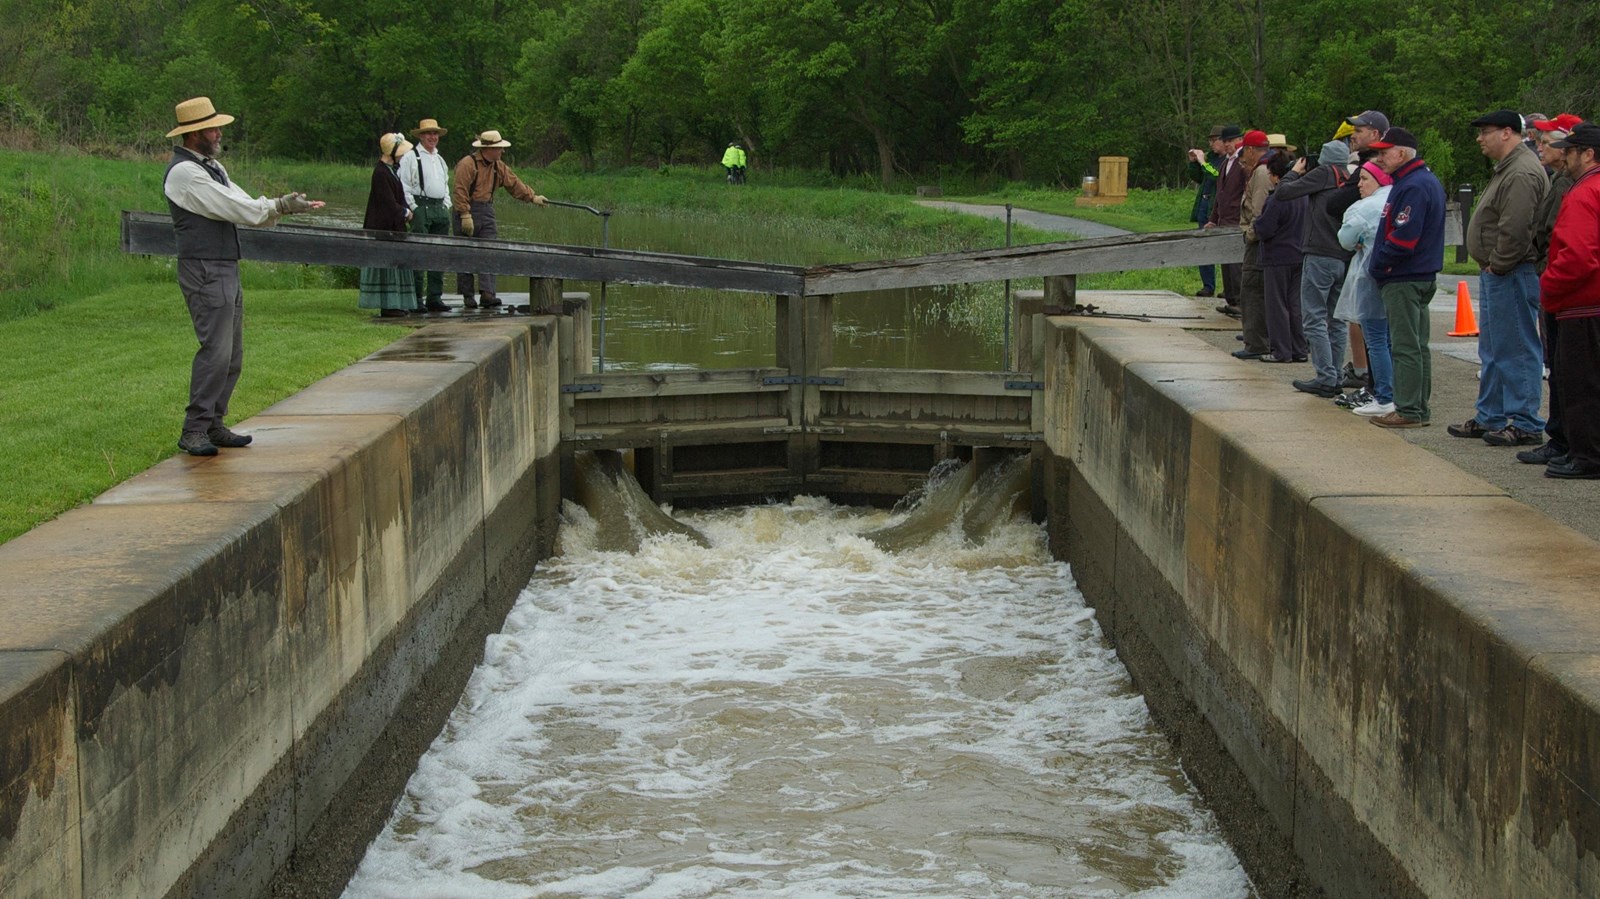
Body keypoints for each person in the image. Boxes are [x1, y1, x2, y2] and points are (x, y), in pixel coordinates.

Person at [162, 96, 324, 457]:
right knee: (216, 352)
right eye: (212, 128)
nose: (219, 133)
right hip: (204, 268)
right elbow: (236, 208)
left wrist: (282, 207)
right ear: (193, 134)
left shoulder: (211, 168)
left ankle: (214, 423)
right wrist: (279, 205)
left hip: (222, 265)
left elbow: (246, 204)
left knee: (232, 355)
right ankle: (194, 429)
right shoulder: (186, 173)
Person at [1447, 110, 1549, 447]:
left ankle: (1526, 421)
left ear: (1507, 133)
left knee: (1517, 347)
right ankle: (1490, 414)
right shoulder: (1509, 168)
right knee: (1492, 348)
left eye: (1485, 132)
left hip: (1512, 271)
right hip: (1501, 271)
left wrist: (1500, 263)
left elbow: (1516, 227)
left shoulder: (1521, 171)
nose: (1479, 138)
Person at [1365, 127, 1447, 429]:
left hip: (1404, 277)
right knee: (1417, 344)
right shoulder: (1420, 180)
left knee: (1404, 345)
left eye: (1384, 152)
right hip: (1417, 274)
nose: (1380, 158)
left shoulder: (1413, 185)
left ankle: (1409, 409)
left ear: (1402, 153)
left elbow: (1404, 237)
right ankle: (1417, 408)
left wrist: (1379, 265)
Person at [1520, 115, 1585, 465]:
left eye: (1551, 143)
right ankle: (1562, 436)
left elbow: (1563, 236)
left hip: (1560, 282)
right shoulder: (1560, 180)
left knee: (1564, 367)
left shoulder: (1572, 186)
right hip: (1552, 274)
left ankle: (1564, 439)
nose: (1542, 148)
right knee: (1557, 365)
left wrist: (1549, 277)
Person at [1538, 123, 1600, 478]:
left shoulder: (1582, 193)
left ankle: (1587, 456)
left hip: (1582, 303)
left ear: (1588, 154)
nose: (1565, 155)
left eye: (1571, 150)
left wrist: (1549, 289)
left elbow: (1577, 256)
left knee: (1580, 383)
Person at [1277, 139, 1356, 397]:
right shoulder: (1350, 177)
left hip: (1319, 254)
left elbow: (1284, 193)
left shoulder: (1324, 173)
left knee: (1314, 318)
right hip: (1342, 256)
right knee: (1336, 320)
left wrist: (1294, 172)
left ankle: (1324, 377)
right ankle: (1334, 374)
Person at [453, 130, 548, 309]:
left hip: (486, 209)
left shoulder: (499, 166)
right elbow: (459, 191)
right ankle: (467, 296)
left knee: (490, 251)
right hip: (467, 209)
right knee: (465, 254)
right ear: (488, 149)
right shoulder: (468, 164)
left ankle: (488, 294)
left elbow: (514, 184)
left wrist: (533, 197)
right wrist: (465, 214)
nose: (502, 152)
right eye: (499, 148)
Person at [1336, 163, 1396, 416]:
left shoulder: (1365, 207)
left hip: (1369, 277)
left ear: (1379, 181)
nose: (1359, 185)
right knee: (1391, 339)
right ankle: (1393, 392)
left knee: (1376, 339)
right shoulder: (1396, 199)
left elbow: (1346, 239)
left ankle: (1383, 395)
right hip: (1393, 277)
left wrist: (1359, 240)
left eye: (1364, 179)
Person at [1252, 152, 1308, 364]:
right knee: (1295, 305)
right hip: (1299, 254)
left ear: (1276, 176)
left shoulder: (1278, 197)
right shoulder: (1303, 195)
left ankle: (1281, 350)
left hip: (1277, 256)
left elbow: (1265, 228)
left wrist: (1256, 225)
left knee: (1277, 305)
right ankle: (1299, 348)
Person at [359, 132, 417, 319]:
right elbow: (387, 203)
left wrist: (406, 209)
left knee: (397, 264)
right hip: (383, 228)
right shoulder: (381, 173)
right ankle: (389, 305)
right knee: (387, 266)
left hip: (394, 227)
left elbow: (399, 197)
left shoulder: (392, 170)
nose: (402, 155)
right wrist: (404, 212)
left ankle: (398, 303)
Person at [397, 118, 452, 313]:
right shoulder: (410, 157)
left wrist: (446, 205)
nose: (433, 137)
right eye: (429, 133)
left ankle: (434, 297)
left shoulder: (440, 159)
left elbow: (445, 185)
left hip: (439, 209)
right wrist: (413, 207)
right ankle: (416, 298)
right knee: (419, 254)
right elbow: (404, 186)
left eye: (435, 134)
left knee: (440, 254)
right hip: (421, 207)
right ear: (421, 136)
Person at [1236, 130, 1275, 359]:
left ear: (1251, 150)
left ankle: (1256, 344)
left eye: (1244, 151)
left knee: (1251, 291)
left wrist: (1250, 235)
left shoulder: (1261, 172)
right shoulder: (1267, 168)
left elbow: (1259, 211)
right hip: (1264, 241)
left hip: (1257, 241)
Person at [1206, 124, 1247, 315]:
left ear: (1239, 140)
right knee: (1225, 263)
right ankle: (1231, 298)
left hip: (1236, 218)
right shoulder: (1225, 163)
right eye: (1225, 141)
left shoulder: (1242, 161)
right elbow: (1220, 194)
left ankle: (1239, 300)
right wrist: (1214, 218)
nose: (1227, 145)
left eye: (1230, 141)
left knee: (1235, 265)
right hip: (1224, 218)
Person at [1187, 126, 1225, 297]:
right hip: (1204, 204)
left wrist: (1203, 162)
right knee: (1203, 246)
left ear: (1224, 141)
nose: (1211, 144)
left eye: (1214, 140)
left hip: (1217, 207)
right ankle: (1208, 285)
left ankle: (1229, 288)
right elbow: (1199, 177)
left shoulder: (1227, 161)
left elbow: (1216, 176)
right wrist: (1194, 163)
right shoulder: (1211, 158)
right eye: (1209, 140)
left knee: (1223, 248)